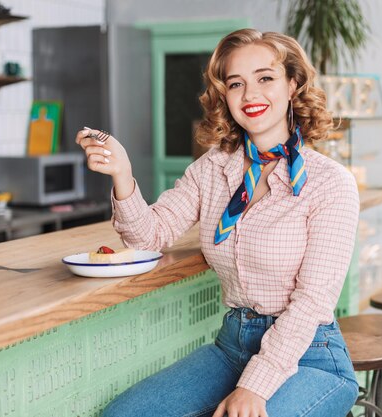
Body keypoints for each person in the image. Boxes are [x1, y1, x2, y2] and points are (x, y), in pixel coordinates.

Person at [76, 28, 360, 417]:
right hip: (232, 347)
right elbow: (149, 236)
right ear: (224, 94)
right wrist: (123, 174)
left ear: (293, 84)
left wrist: (254, 387)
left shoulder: (330, 183)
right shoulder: (212, 169)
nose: (250, 95)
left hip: (310, 355)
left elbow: (311, 304)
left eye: (265, 78)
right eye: (236, 83)